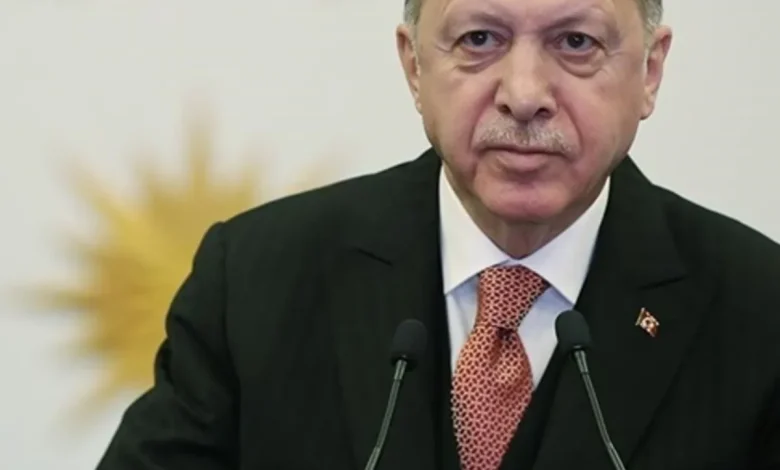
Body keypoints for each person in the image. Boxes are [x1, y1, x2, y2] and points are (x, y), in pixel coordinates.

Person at [97, 0, 780, 468]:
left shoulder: (759, 309)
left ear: (650, 71)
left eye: (576, 42)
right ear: (415, 66)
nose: (524, 94)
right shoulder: (256, 281)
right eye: (479, 39)